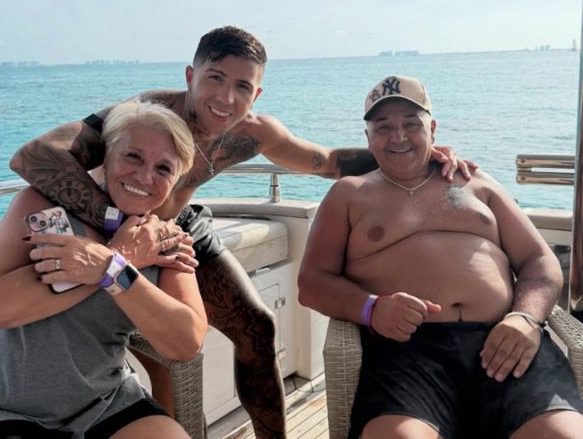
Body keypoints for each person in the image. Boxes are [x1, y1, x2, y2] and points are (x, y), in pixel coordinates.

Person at [9, 26, 475, 437]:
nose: (225, 98)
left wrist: (413, 153)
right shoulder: (145, 116)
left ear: (257, 94)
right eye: (215, 78)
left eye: (242, 86)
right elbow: (32, 156)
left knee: (258, 328)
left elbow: (330, 162)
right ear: (190, 75)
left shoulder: (253, 133)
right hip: (111, 222)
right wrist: (119, 226)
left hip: (179, 230)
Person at [298, 75, 583, 438]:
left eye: (411, 124)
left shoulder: (477, 182)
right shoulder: (349, 194)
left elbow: (539, 261)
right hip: (408, 352)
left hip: (505, 340)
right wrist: (371, 308)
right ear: (368, 138)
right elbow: (311, 282)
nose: (398, 137)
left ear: (432, 129)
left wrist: (525, 318)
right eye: (383, 127)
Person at [0, 101, 207, 438]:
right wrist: (120, 255)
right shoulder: (40, 207)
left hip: (105, 403)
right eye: (133, 157)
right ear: (106, 156)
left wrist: (111, 269)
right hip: (11, 409)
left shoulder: (165, 241)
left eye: (164, 169)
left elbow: (186, 343)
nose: (145, 177)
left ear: (176, 180)